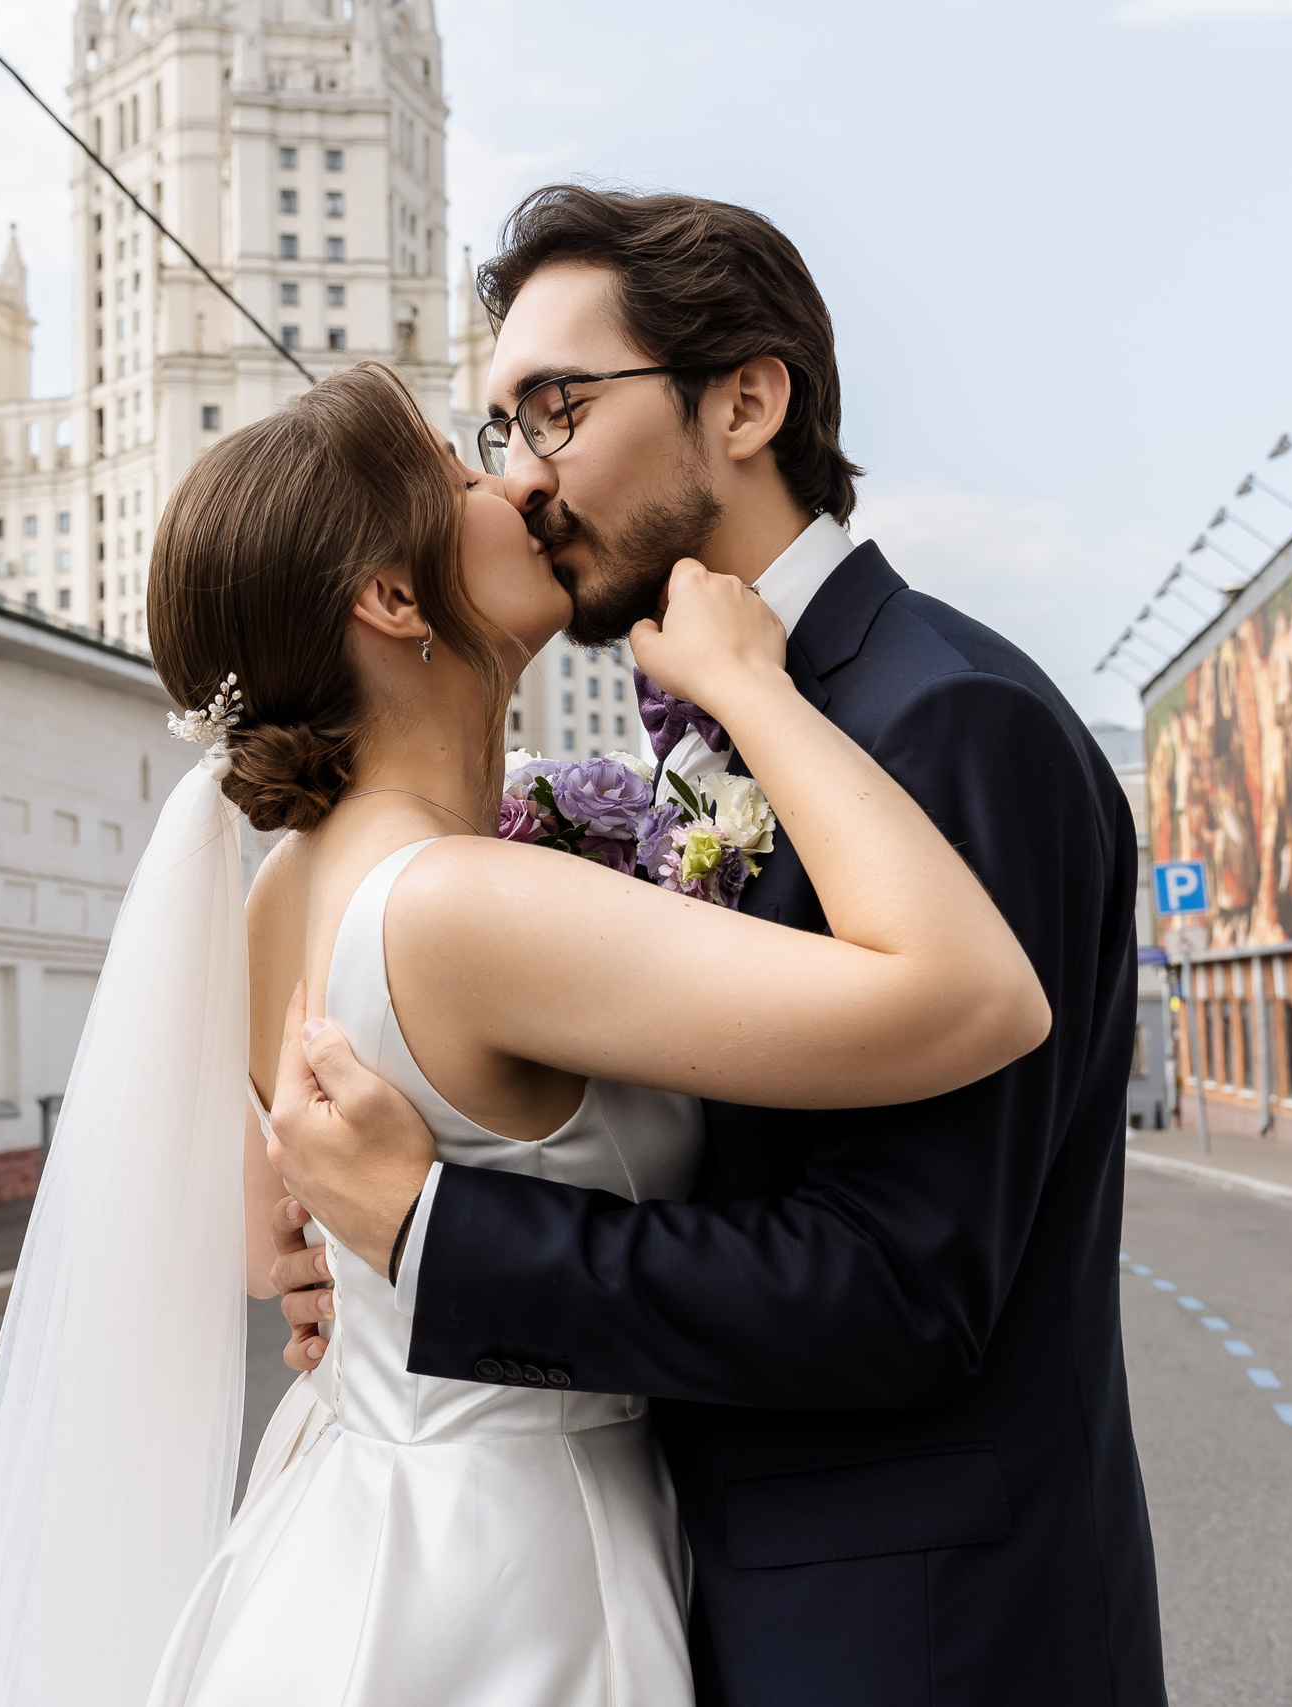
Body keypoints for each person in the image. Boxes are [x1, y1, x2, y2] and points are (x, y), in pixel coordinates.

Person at [0, 354, 1050, 1707]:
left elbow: (267, 1250)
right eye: (465, 475)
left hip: (346, 1512)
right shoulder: (461, 903)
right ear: (395, 601)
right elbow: (981, 997)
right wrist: (754, 689)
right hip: (504, 1568)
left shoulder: (280, 893)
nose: (516, 481)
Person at [264, 187, 1167, 1707]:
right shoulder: (695, 728)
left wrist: (437, 1238)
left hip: (917, 1638)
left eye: (555, 408)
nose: (524, 479)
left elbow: (903, 1287)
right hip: (685, 1589)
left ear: (746, 400)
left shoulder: (945, 720)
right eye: (499, 431)